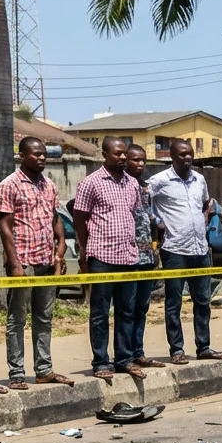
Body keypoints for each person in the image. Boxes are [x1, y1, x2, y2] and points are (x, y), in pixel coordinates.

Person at [0, 137, 72, 389]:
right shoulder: (10, 185)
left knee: (44, 318)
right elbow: (5, 226)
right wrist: (14, 262)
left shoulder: (49, 185)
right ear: (22, 155)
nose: (41, 158)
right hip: (24, 262)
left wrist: (60, 248)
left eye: (43, 154)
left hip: (46, 261)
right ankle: (17, 373)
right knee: (17, 319)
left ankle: (44, 369)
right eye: (35, 154)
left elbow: (55, 220)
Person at [148, 138, 222, 364]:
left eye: (190, 153)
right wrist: (156, 221)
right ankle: (177, 350)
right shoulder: (159, 180)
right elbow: (141, 200)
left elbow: (205, 204)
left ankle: (204, 346)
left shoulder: (199, 179)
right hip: (174, 250)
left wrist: (201, 221)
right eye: (182, 154)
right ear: (172, 156)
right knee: (174, 304)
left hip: (200, 249)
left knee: (202, 301)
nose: (187, 157)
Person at [74, 136, 143, 381]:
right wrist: (84, 252)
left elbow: (133, 214)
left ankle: (124, 359)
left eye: (124, 153)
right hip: (101, 257)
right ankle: (101, 361)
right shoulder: (90, 183)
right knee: (100, 312)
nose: (123, 157)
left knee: (127, 311)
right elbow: (79, 219)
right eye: (117, 153)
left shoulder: (132, 183)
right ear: (104, 154)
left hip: (128, 257)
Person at [121, 145, 165, 371]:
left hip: (147, 255)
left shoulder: (144, 188)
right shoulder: (120, 185)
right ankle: (125, 355)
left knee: (142, 308)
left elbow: (147, 217)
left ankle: (138, 351)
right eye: (135, 160)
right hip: (128, 257)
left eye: (143, 160)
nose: (140, 164)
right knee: (126, 310)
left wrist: (157, 239)